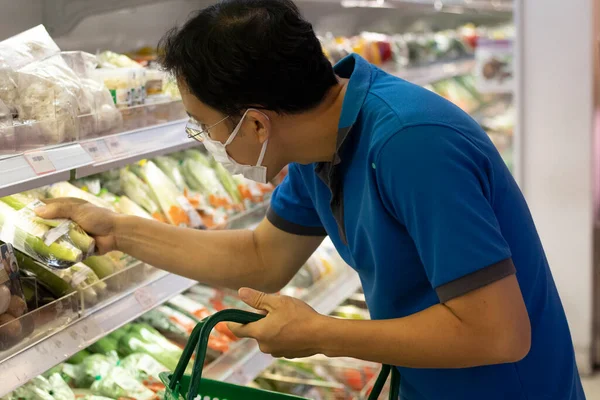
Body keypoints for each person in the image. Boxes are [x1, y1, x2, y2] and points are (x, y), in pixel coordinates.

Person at [37, 1, 585, 398]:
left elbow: (498, 334)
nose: (204, 142)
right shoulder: (318, 144)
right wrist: (118, 229)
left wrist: (321, 333)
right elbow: (261, 258)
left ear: (255, 122)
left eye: (202, 126)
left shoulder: (412, 145)